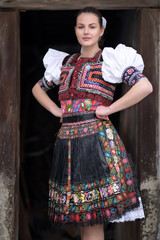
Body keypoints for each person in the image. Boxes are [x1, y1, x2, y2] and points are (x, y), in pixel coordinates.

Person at [32, 7, 153, 240]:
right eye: (81, 26)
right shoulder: (65, 63)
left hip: (96, 144)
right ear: (75, 30)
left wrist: (110, 108)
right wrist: (56, 110)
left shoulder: (109, 59)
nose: (86, 31)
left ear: (101, 30)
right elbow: (37, 88)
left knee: (92, 220)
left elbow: (144, 86)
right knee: (81, 220)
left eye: (92, 26)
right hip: (68, 144)